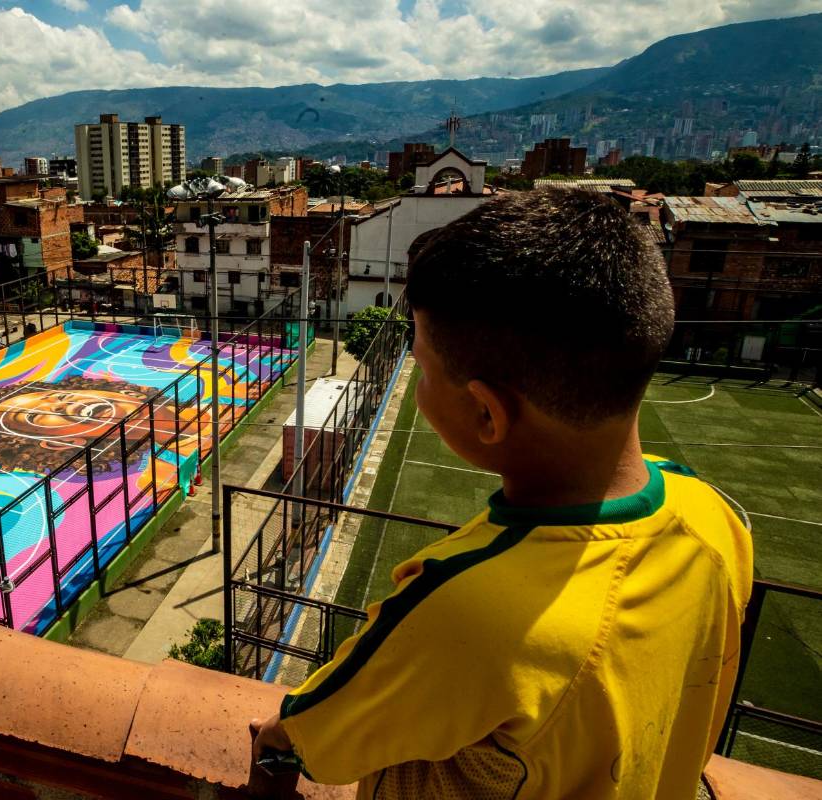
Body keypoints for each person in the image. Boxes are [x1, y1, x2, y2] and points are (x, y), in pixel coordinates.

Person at [249, 188, 753, 798]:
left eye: (424, 369)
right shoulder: (714, 515)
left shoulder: (465, 608)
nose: (417, 386)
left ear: (487, 414)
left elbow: (308, 737)